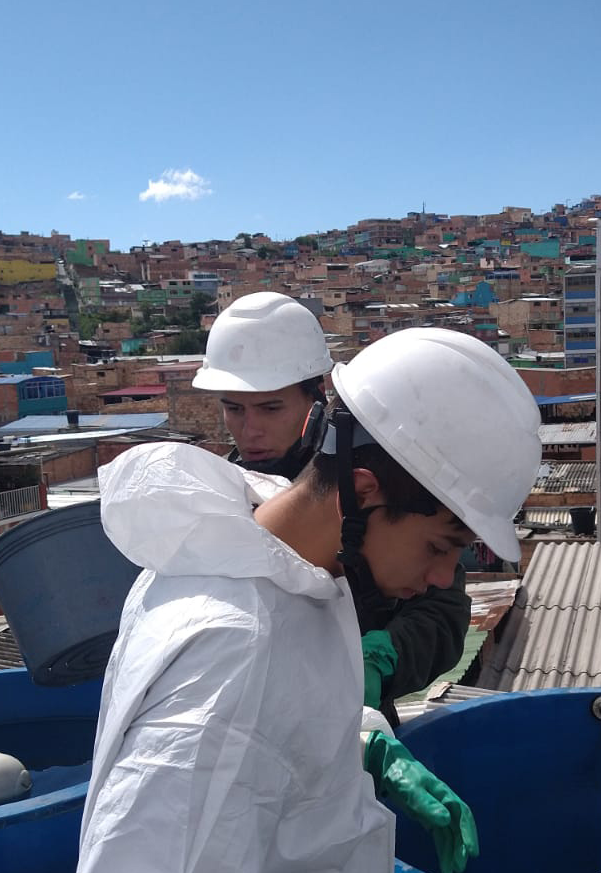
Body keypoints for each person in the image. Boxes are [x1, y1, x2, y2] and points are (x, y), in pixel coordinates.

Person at [60, 327, 542, 873]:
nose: (438, 581)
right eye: (439, 546)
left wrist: (357, 741)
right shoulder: (229, 651)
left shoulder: (260, 548)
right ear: (363, 487)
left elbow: (249, 750)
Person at [193, 292, 472, 717]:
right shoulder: (221, 501)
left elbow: (442, 608)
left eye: (270, 408)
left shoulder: (376, 470)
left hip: (363, 714)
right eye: (234, 410)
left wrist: (382, 657)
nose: (250, 430)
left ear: (315, 397)